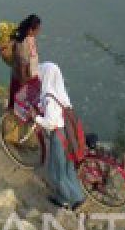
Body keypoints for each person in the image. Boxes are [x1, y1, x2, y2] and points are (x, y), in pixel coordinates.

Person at [34, 62, 86, 210]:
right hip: (71, 137)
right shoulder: (61, 92)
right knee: (68, 168)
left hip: (59, 137)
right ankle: (71, 197)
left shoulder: (49, 97)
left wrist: (36, 118)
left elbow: (50, 123)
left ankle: (72, 198)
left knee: (57, 172)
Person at [8, 14, 42, 109]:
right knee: (20, 106)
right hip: (23, 78)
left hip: (31, 76)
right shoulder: (22, 43)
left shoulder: (30, 38)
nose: (38, 32)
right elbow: (22, 65)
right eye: (37, 29)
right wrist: (24, 85)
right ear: (30, 30)